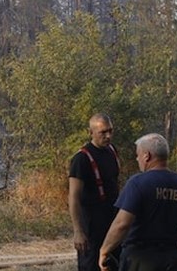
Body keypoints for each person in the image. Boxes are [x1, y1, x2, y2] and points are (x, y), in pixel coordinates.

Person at [98, 133, 177, 271]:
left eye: (138, 155)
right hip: (171, 258)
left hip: (140, 259)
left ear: (147, 156)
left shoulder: (137, 183)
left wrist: (105, 250)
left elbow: (122, 224)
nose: (137, 159)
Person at [69, 113, 121, 271]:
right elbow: (73, 197)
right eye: (103, 132)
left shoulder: (112, 151)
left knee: (115, 264)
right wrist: (78, 231)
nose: (108, 136)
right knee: (90, 266)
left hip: (113, 219)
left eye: (110, 131)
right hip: (91, 224)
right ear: (90, 132)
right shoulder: (81, 159)